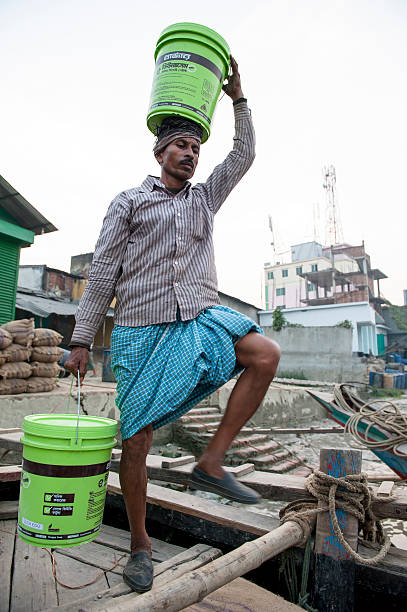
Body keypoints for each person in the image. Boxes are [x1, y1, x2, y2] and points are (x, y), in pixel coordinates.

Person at [65, 57, 280, 593]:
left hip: (198, 319)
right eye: (181, 146)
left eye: (195, 148)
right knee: (135, 443)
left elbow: (245, 154)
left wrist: (238, 99)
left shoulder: (206, 199)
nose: (190, 154)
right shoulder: (130, 202)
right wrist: (79, 341)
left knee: (265, 353)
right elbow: (102, 276)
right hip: (140, 330)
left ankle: (210, 461)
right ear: (160, 152)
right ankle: (140, 545)